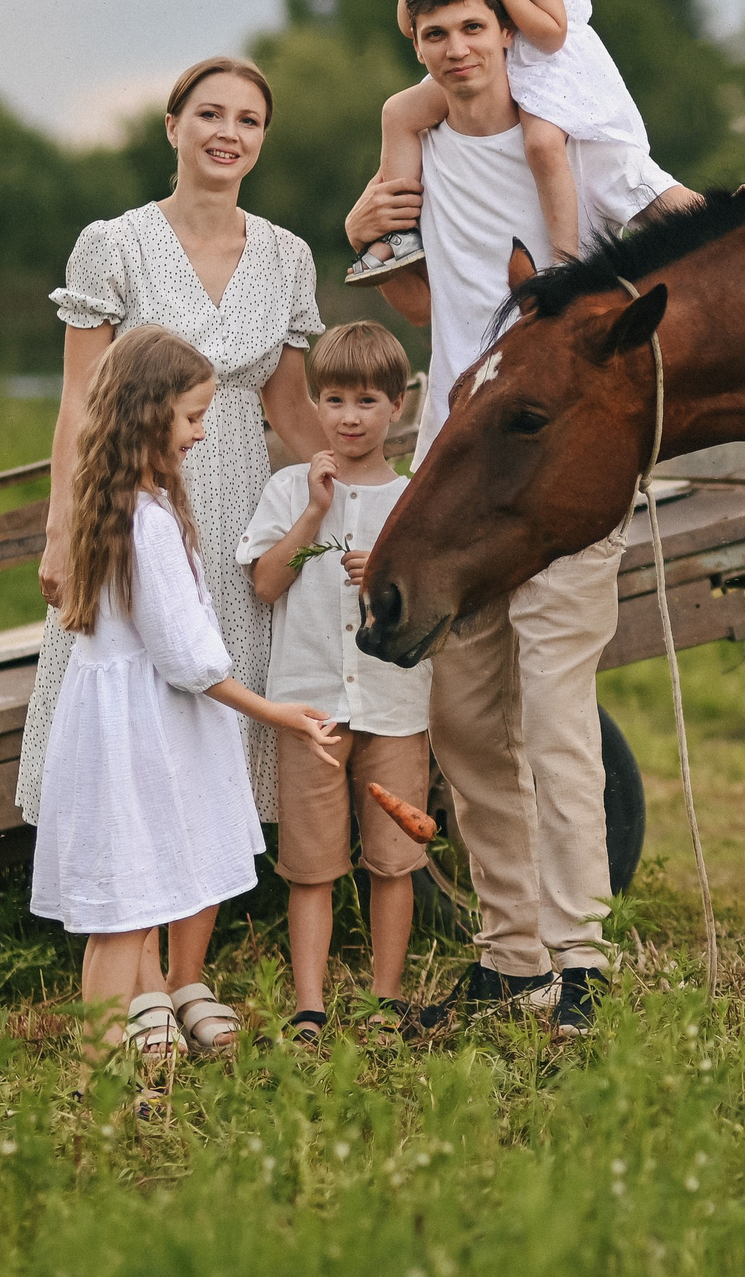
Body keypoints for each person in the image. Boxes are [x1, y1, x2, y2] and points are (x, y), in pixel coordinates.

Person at [346, 0, 697, 1039]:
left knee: (554, 714)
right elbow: (410, 295)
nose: (457, 49)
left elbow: (638, 241)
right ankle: (511, 957)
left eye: (472, 28)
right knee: (461, 716)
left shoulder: (565, 146)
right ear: (420, 50)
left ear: (504, 32)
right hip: (461, 473)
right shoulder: (422, 157)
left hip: (550, 479)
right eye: (437, 35)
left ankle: (581, 960)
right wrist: (366, 223)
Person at [16, 55, 331, 1057]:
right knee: (135, 734)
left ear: (262, 138)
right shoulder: (114, 244)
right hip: (133, 499)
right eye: (209, 113)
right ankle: (135, 973)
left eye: (247, 118)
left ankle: (188, 976)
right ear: (172, 124)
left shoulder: (284, 255)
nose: (227, 132)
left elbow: (288, 404)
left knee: (215, 733)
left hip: (238, 501)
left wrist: (345, 490)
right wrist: (66, 526)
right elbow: (78, 399)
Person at [27, 325, 342, 1070]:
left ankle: (132, 1059)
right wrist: (277, 713)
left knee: (132, 909)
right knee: (125, 918)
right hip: (142, 732)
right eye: (194, 416)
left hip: (113, 721)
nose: (203, 432)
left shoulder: (108, 505)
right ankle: (100, 1072)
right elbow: (187, 657)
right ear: (149, 414)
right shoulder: (148, 523)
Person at [345, 0, 665, 285]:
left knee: (543, 145)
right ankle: (401, 235)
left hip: (543, 65)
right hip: (485, 65)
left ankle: (564, 260)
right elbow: (407, 25)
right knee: (398, 112)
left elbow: (553, 34)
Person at [237, 320, 433, 1041]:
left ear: (398, 406)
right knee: (311, 864)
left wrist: (387, 572)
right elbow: (264, 583)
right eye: (335, 399)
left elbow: (430, 601)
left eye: (368, 401)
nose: (351, 417)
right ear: (316, 405)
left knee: (392, 858)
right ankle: (310, 1006)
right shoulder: (290, 489)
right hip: (309, 707)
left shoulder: (413, 499)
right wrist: (316, 511)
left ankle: (384, 1002)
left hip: (395, 704)